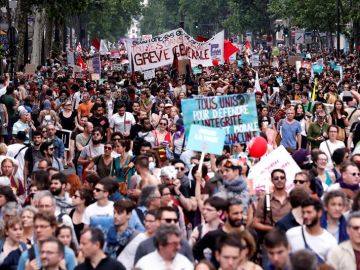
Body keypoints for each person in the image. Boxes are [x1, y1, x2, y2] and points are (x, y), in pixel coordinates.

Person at [193, 199, 245, 268]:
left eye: (241, 213)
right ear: (226, 214)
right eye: (235, 213)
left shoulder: (249, 234)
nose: (239, 217)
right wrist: (208, 266)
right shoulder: (213, 235)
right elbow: (196, 250)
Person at [286, 198, 337, 264]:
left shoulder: (330, 241)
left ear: (319, 213)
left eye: (309, 212)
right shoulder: (291, 234)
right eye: (303, 212)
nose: (305, 216)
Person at [106, 200, 146, 269]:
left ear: (129, 215)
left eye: (119, 213)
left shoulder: (139, 237)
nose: (115, 216)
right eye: (114, 213)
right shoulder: (107, 235)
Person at [252, 168, 291, 234]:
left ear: (285, 180)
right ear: (272, 181)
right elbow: (255, 223)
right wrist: (273, 229)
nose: (279, 180)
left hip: (290, 237)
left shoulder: (292, 198)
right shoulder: (265, 199)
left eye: (282, 178)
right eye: (276, 178)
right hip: (271, 238)